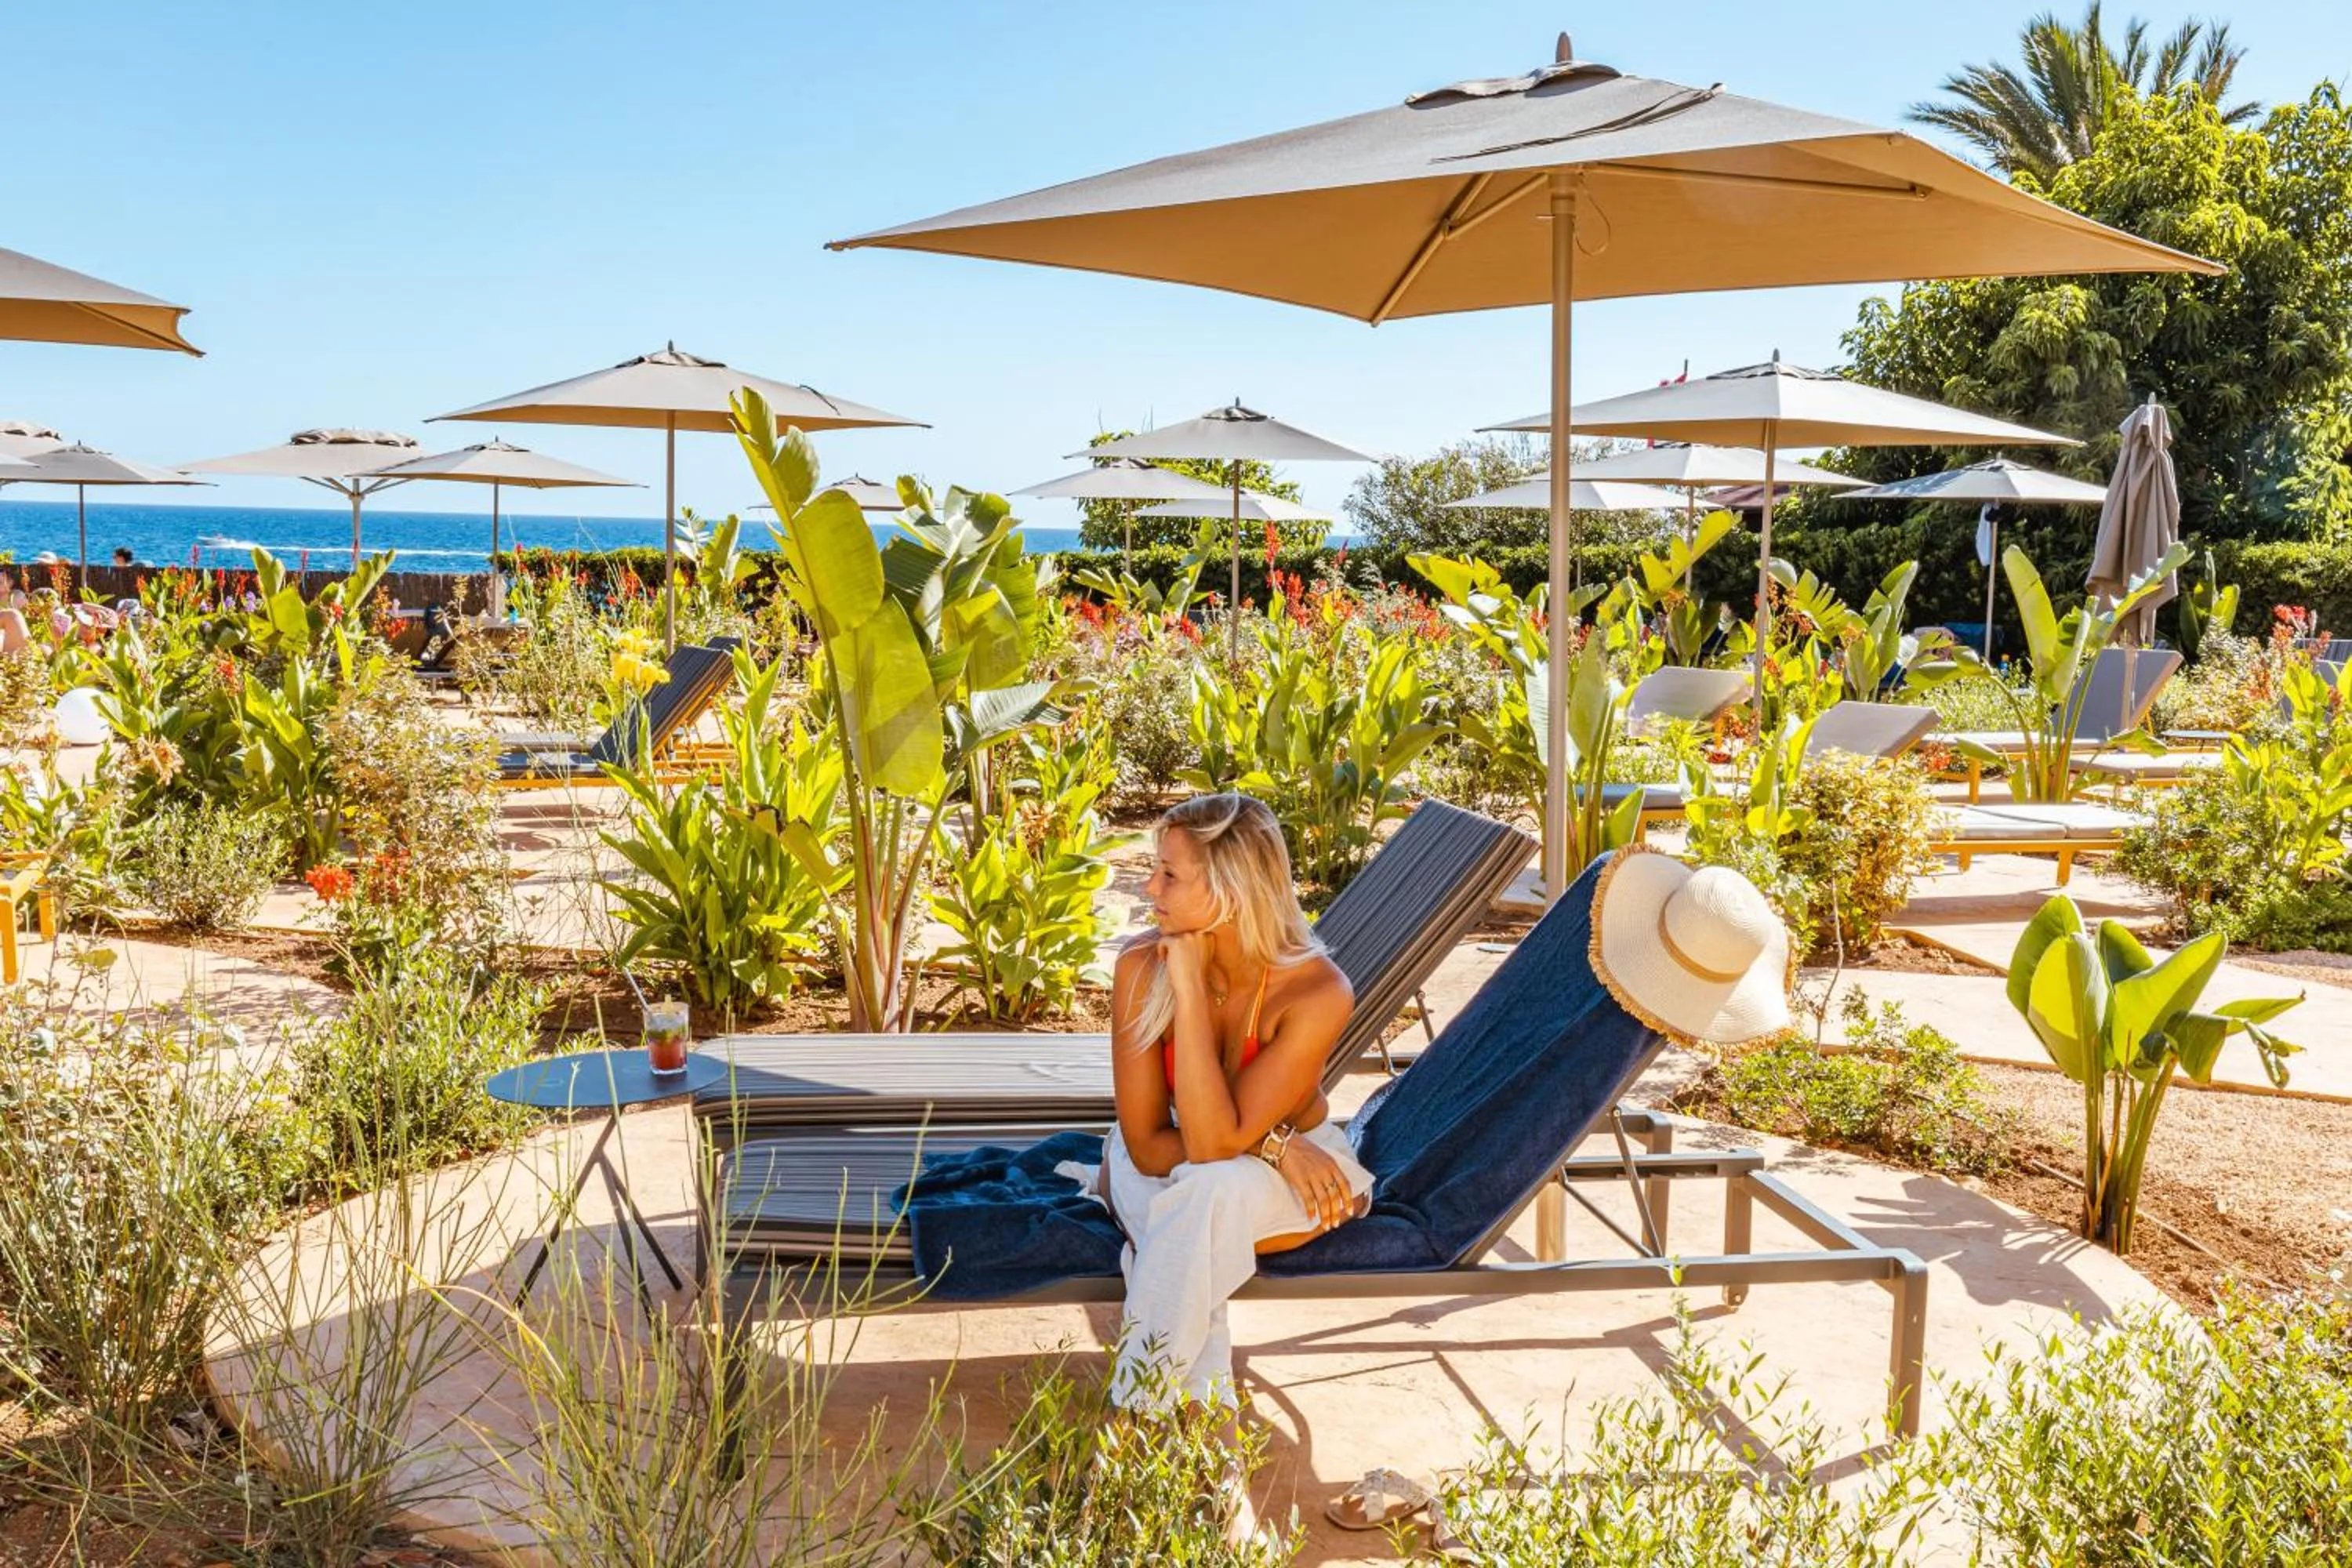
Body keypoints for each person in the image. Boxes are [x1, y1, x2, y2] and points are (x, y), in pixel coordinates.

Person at [1102, 791, 1370, 1414]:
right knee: (1200, 1198)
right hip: (1176, 1155)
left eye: (1169, 874)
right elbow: (1147, 1144)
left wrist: (1191, 987)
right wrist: (1275, 1142)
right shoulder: (1143, 966)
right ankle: (1189, 1451)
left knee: (1203, 1198)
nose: (1149, 889)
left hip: (1303, 1176)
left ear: (1230, 891)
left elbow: (1214, 1146)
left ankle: (1132, 1429)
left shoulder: (1315, 990)